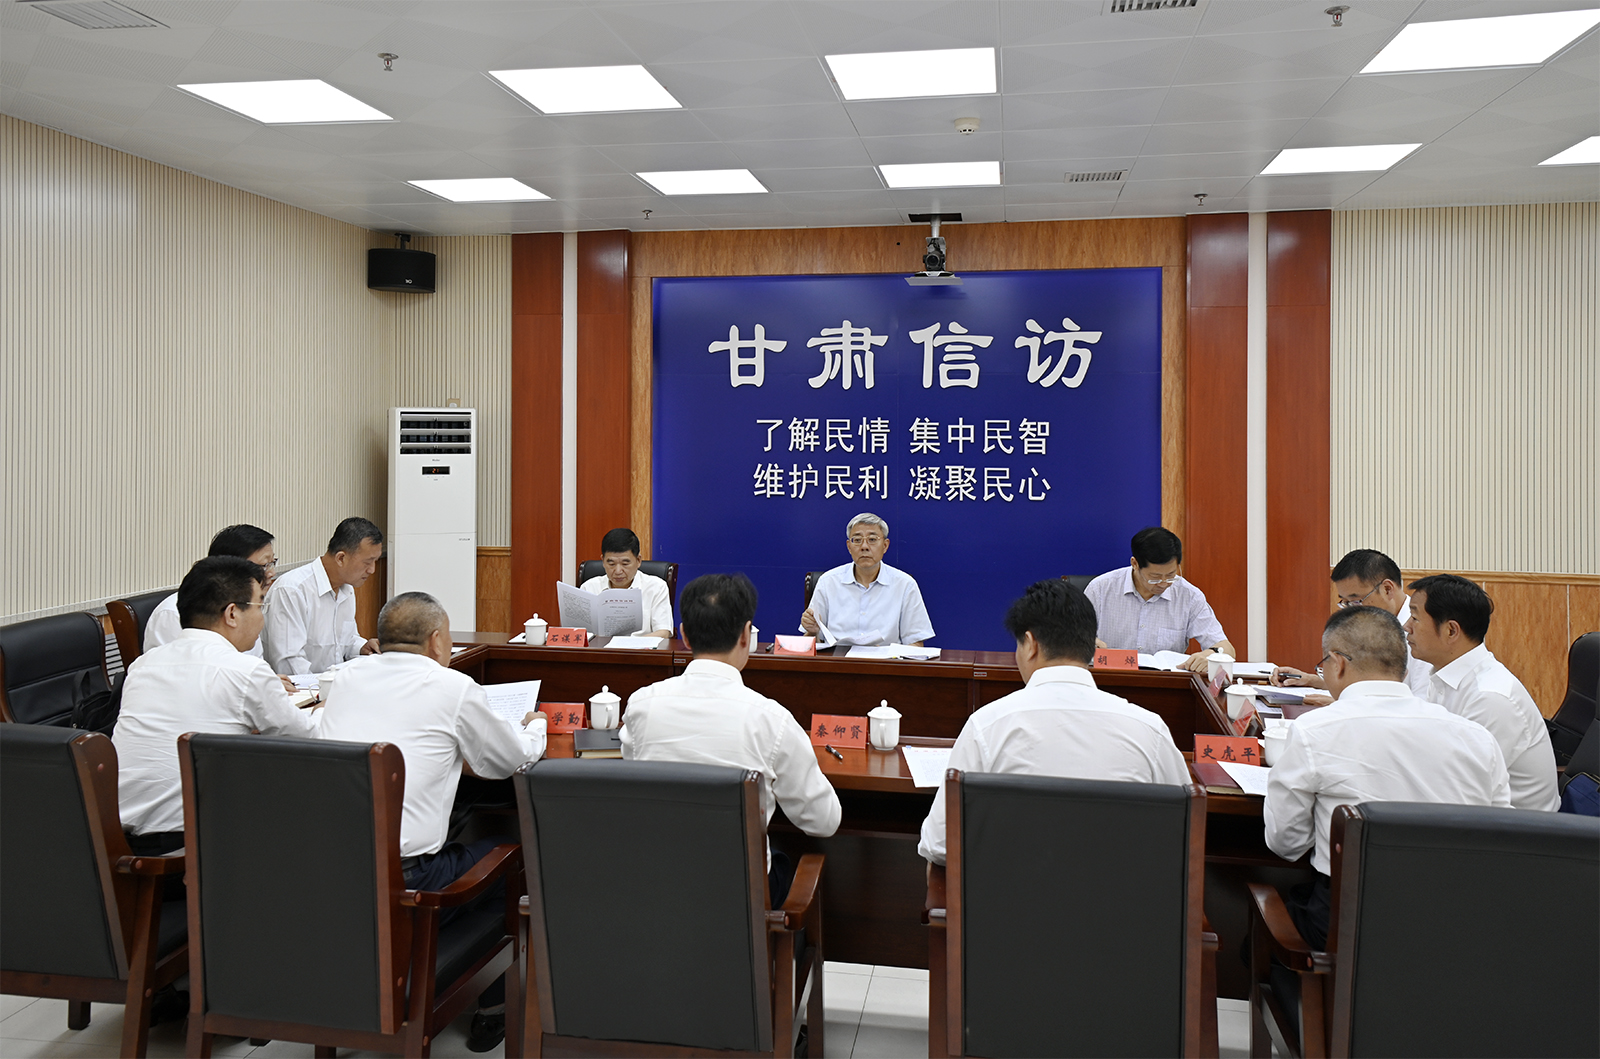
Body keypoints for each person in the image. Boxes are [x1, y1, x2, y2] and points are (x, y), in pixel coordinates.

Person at [316, 591, 545, 1052]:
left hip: (332, 876)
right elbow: (509, 761)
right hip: (410, 881)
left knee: (456, 821)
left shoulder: (346, 678)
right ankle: (492, 1007)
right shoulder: (452, 687)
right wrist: (535, 725)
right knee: (508, 856)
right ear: (438, 640)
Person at [1263, 606, 1510, 949]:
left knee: (1265, 932)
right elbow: (1500, 842)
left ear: (1338, 663)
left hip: (1351, 927)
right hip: (1456, 929)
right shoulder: (1477, 738)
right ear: (1404, 669)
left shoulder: (1313, 730)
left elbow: (1286, 844)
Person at [917, 579, 1192, 866]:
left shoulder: (987, 726)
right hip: (1121, 892)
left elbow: (940, 844)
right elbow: (1182, 834)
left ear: (1030, 644)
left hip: (1014, 893)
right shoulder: (1149, 729)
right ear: (1090, 645)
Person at [623, 573, 841, 904]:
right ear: (745, 635)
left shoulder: (642, 705)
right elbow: (824, 821)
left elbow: (633, 772)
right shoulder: (771, 719)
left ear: (684, 635)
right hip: (740, 900)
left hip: (656, 890)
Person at [114, 556, 321, 858]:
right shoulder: (246, 670)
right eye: (261, 605)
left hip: (119, 835)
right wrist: (324, 708)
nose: (262, 618)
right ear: (232, 613)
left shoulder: (143, 665)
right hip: (193, 840)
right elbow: (308, 740)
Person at [1404, 574, 1559, 812]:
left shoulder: (1490, 698)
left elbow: (1460, 789)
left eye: (1415, 618)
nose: (1407, 626)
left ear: (1451, 630)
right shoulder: (1444, 676)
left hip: (1518, 828)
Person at [1269, 549, 1431, 700]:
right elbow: (1366, 685)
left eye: (1356, 601)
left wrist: (1340, 705)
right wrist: (1312, 681)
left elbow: (1420, 705)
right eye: (1345, 602)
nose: (1351, 611)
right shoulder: (1372, 626)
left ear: (1387, 589)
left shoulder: (1420, 632)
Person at [1082, 526, 1235, 672]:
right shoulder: (1100, 589)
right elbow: (1071, 641)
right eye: (1155, 577)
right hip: (1109, 680)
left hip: (1164, 683)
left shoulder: (1189, 596)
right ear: (1135, 564)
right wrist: (1086, 643)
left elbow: (1227, 648)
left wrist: (1212, 654)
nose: (1163, 583)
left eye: (1171, 575)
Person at [263, 517, 383, 674]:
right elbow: (289, 663)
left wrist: (361, 647)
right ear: (341, 558)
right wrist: (324, 687)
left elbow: (345, 641)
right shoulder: (292, 590)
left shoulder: (347, 588)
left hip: (332, 684)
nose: (372, 570)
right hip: (303, 687)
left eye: (375, 562)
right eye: (367, 562)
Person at [143, 523, 280, 659]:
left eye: (272, 563)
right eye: (264, 566)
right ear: (230, 566)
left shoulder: (250, 604)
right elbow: (179, 669)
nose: (271, 573)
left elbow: (253, 661)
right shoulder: (172, 614)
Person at [799, 512, 934, 646]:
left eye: (872, 539)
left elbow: (915, 644)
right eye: (857, 540)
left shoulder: (905, 585)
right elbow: (809, 644)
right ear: (849, 546)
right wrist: (812, 631)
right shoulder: (828, 582)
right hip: (838, 658)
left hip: (887, 659)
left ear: (885, 546)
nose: (864, 547)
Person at [578, 527, 673, 638]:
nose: (618, 571)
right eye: (611, 564)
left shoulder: (656, 587)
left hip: (640, 648)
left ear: (638, 561)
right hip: (599, 648)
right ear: (603, 561)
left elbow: (663, 632)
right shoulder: (589, 588)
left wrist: (630, 644)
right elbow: (579, 632)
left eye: (625, 564)